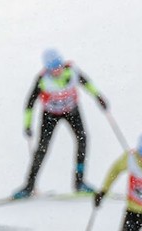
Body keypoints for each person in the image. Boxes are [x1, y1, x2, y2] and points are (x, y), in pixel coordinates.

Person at [12, 49, 109, 199]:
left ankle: (79, 182)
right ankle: (29, 186)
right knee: (42, 149)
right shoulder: (42, 80)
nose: (57, 70)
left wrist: (99, 97)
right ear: (47, 68)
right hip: (50, 115)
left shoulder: (72, 71)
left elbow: (87, 84)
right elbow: (30, 103)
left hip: (72, 111)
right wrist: (27, 124)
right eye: (53, 68)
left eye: (59, 66)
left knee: (82, 140)